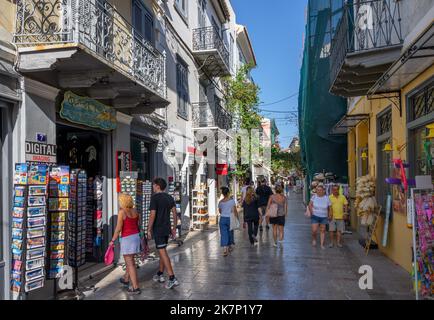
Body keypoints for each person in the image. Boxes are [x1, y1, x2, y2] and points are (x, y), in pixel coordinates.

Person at [147, 177, 179, 289]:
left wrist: (148, 229)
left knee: (163, 252)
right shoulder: (169, 197)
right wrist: (174, 228)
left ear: (157, 186)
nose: (152, 187)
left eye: (153, 185)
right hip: (167, 228)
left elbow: (152, 214)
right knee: (162, 251)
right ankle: (160, 274)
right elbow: (175, 213)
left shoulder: (154, 198)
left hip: (158, 229)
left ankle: (172, 277)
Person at [110, 194, 141, 294]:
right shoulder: (136, 211)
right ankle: (126, 279)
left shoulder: (122, 212)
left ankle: (135, 287)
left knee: (130, 263)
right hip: (136, 237)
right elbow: (138, 225)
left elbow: (118, 228)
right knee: (131, 261)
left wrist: (113, 239)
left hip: (127, 239)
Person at [308, 185, 331, 249]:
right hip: (315, 216)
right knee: (314, 230)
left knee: (322, 230)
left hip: (324, 217)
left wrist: (329, 215)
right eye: (318, 190)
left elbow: (330, 208)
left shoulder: (327, 198)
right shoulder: (314, 197)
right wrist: (311, 212)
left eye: (320, 190)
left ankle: (322, 244)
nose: (319, 191)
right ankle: (314, 239)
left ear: (323, 191)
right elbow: (310, 205)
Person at [218, 187, 239, 256]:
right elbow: (235, 211)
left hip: (222, 219)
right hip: (230, 218)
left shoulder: (220, 202)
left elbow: (220, 211)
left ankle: (225, 249)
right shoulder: (232, 201)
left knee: (224, 234)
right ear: (228, 193)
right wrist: (237, 218)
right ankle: (229, 246)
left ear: (223, 194)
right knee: (230, 233)